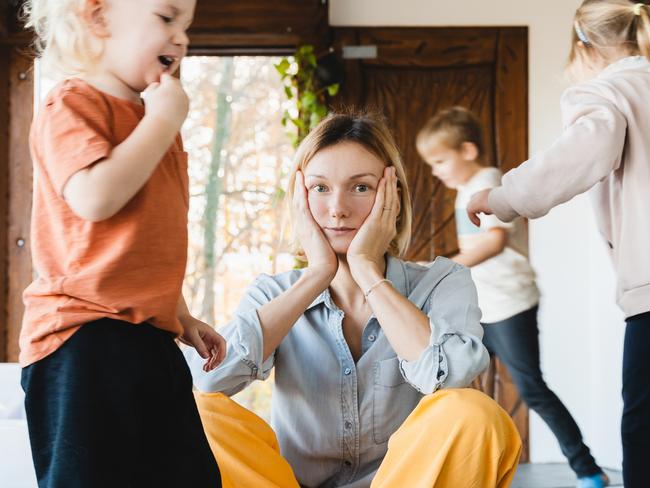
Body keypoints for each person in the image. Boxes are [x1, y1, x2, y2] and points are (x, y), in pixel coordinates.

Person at [184, 112, 522, 488]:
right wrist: (316, 276)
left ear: (392, 196)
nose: (338, 209)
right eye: (320, 188)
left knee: (474, 413)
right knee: (197, 411)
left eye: (360, 188)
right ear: (300, 198)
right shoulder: (274, 293)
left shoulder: (444, 282)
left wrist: (367, 272)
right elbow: (208, 379)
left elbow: (454, 381)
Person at [20, 0, 225, 486]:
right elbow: (96, 198)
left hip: (147, 335)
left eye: (187, 26)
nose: (181, 37)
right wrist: (162, 123)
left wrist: (182, 315)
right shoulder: (71, 103)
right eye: (166, 17)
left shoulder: (152, 119)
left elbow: (143, 242)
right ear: (98, 18)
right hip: (81, 337)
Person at [466, 1, 650, 487]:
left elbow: (579, 154)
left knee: (643, 423)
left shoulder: (609, 91)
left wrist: (503, 195)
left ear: (584, 45)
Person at [417, 106, 609, 488]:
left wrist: (437, 269)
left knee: (531, 388)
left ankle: (587, 469)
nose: (435, 170)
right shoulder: (465, 190)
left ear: (468, 151)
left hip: (509, 304)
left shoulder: (487, 182)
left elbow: (493, 241)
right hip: (481, 306)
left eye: (440, 160)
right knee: (457, 386)